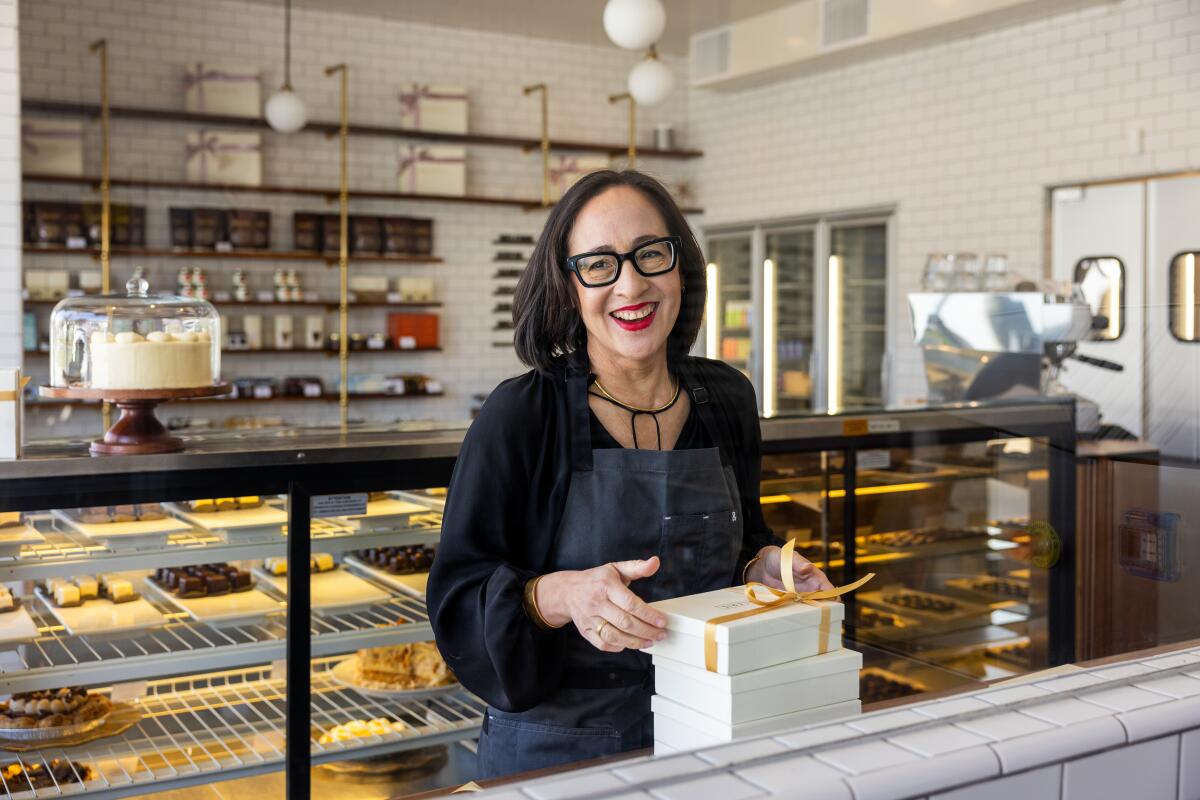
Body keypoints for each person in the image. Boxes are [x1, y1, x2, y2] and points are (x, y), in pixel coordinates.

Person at [426, 170, 833, 779]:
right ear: (568, 286)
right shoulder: (521, 415)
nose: (631, 284)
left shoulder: (726, 397)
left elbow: (742, 535)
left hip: (710, 728)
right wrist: (562, 595)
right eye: (598, 264)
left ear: (680, 265)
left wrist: (763, 566)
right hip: (559, 749)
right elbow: (459, 599)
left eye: (650, 254)